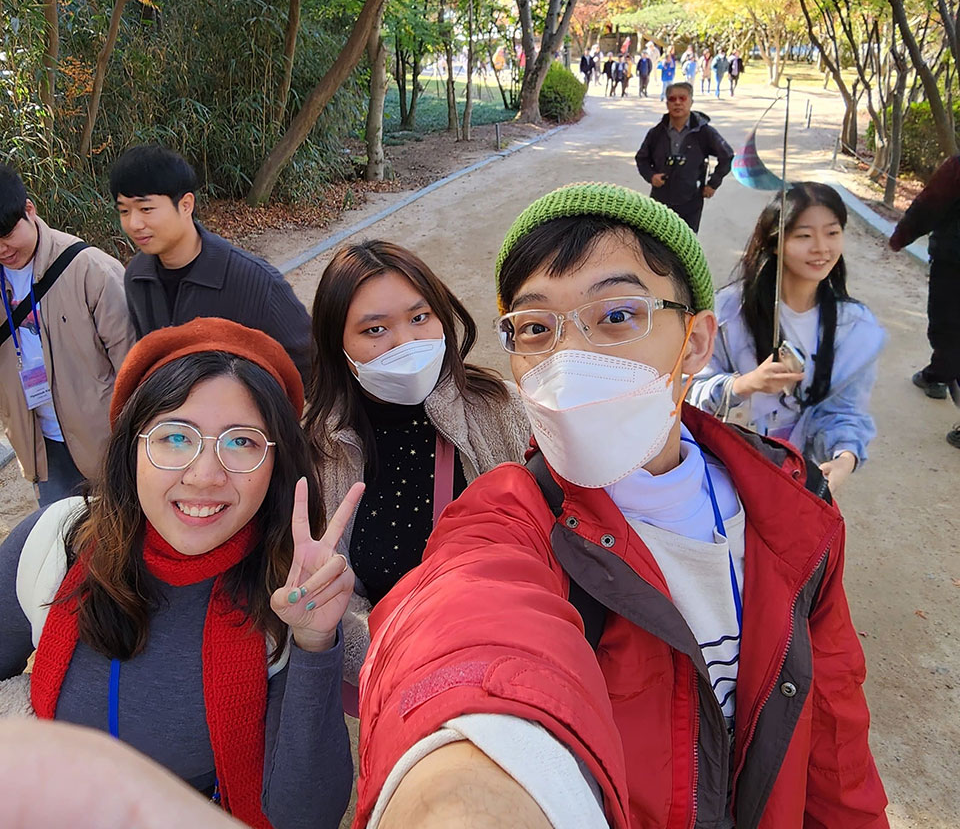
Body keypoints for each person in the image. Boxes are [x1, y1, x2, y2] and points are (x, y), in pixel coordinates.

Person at [352, 182, 888, 829]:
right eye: (535, 328)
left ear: (694, 343)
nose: (571, 356)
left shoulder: (793, 507)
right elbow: (461, 625)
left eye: (615, 316)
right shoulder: (511, 517)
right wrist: (460, 787)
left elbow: (834, 753)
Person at [0, 318, 357, 829]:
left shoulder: (286, 594)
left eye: (241, 443)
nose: (205, 475)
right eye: (174, 437)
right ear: (133, 447)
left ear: (276, 465)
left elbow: (304, 817)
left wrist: (316, 643)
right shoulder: (54, 546)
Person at [303, 239, 528, 684]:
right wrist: (419, 665)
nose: (405, 342)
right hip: (398, 686)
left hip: (515, 671)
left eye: (420, 317)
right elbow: (332, 604)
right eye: (374, 330)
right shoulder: (320, 450)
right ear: (338, 347)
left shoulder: (503, 408)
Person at [688, 183, 884, 492]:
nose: (821, 247)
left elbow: (846, 411)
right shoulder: (727, 312)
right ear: (775, 242)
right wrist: (745, 384)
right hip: (724, 468)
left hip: (796, 480)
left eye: (832, 233)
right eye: (804, 236)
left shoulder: (854, 326)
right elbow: (688, 390)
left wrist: (845, 458)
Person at [110, 145, 311, 382]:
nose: (133, 224)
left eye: (146, 209)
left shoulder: (255, 281)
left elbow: (310, 366)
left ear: (186, 205)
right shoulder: (136, 277)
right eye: (124, 211)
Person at [0, 165, 134, 506]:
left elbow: (133, 363)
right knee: (60, 544)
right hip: (41, 447)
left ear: (29, 211)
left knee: (120, 542)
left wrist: (132, 441)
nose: (2, 249)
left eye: (7, 233)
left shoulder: (89, 269)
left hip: (107, 443)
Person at [889, 154, 960, 444]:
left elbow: (930, 204)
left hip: (954, 262)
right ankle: (937, 375)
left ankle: (939, 374)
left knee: (947, 326)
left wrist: (900, 237)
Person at [634, 81, 734, 232]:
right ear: (667, 103)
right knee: (657, 242)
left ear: (691, 102)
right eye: (672, 99)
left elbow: (727, 155)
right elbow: (642, 158)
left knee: (686, 243)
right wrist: (651, 176)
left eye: (683, 98)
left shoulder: (704, 132)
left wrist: (713, 183)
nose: (678, 103)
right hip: (660, 199)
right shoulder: (656, 133)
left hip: (691, 199)